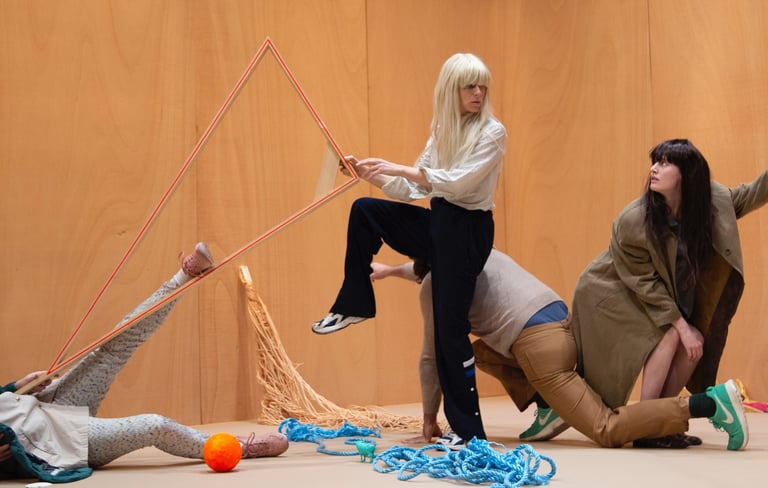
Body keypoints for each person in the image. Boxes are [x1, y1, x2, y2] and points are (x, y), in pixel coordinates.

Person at [371, 248, 749, 451]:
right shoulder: (474, 248)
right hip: (561, 323)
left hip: (539, 349)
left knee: (606, 428)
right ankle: (550, 405)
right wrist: (389, 271)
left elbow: (431, 357)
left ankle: (711, 404)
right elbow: (421, 266)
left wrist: (428, 421)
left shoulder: (435, 285)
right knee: (481, 352)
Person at [312, 53, 506, 445]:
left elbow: (457, 183)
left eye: (483, 85)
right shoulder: (442, 131)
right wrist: (371, 174)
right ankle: (355, 304)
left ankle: (469, 434)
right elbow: (414, 188)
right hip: (441, 222)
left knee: (449, 331)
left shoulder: (493, 132)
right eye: (470, 86)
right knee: (366, 210)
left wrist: (398, 167)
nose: (479, 92)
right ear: (451, 90)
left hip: (468, 232)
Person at [0, 243, 288, 482]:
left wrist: (15, 387)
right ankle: (235, 447)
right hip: (49, 443)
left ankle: (186, 275)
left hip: (39, 407)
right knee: (154, 426)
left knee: (114, 344)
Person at [570, 139, 768, 447]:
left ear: (687, 173)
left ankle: (661, 423)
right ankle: (644, 427)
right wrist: (681, 328)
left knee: (694, 340)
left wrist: (687, 331)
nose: (653, 169)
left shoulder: (713, 202)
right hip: (612, 292)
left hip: (650, 293)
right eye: (654, 161)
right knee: (672, 334)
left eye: (664, 163)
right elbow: (645, 284)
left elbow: (754, 193)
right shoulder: (634, 219)